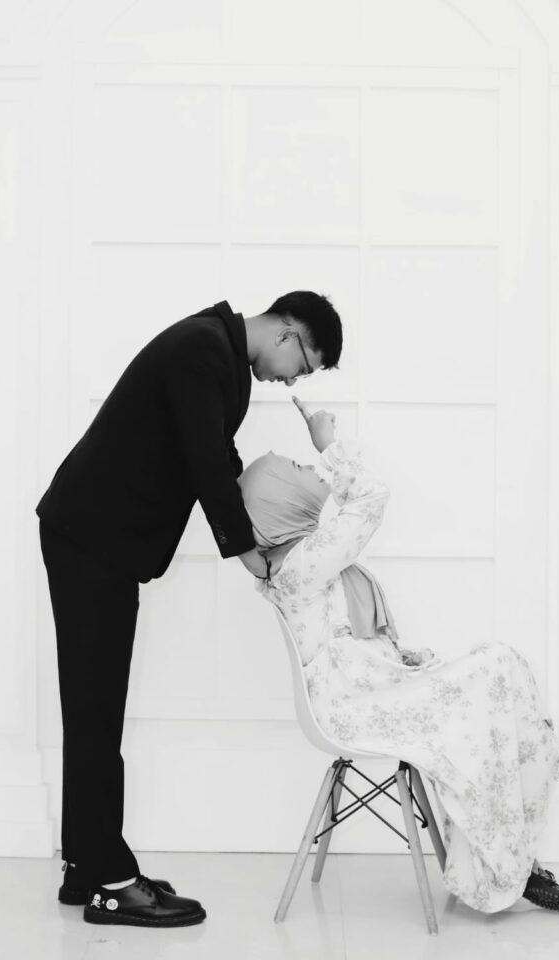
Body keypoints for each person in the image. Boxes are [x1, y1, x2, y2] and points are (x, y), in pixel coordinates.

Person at [36, 293, 343, 927]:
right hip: (91, 538)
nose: (293, 381)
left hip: (95, 539)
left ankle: (87, 866)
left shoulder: (217, 353)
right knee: (96, 711)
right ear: (287, 333)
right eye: (303, 366)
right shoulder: (203, 350)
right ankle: (112, 882)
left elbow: (219, 459)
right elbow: (206, 463)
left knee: (92, 708)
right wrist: (250, 554)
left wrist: (260, 534)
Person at [238, 395, 559, 915]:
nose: (308, 466)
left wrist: (402, 659)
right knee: (495, 664)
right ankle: (538, 763)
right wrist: (329, 445)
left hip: (377, 693)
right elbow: (371, 499)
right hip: (355, 711)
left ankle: (525, 816)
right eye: (295, 467)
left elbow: (349, 643)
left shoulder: (304, 564)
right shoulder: (300, 567)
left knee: (498, 674)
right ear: (280, 501)